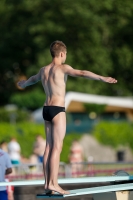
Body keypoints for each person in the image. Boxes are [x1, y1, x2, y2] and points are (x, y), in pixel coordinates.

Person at [17, 40, 117, 194]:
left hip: (46, 109)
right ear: (62, 53)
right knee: (57, 147)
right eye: (65, 55)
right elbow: (82, 73)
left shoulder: (43, 70)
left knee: (48, 148)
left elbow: (32, 79)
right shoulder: (63, 68)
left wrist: (23, 84)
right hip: (57, 109)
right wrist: (102, 78)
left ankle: (46, 184)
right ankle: (53, 184)